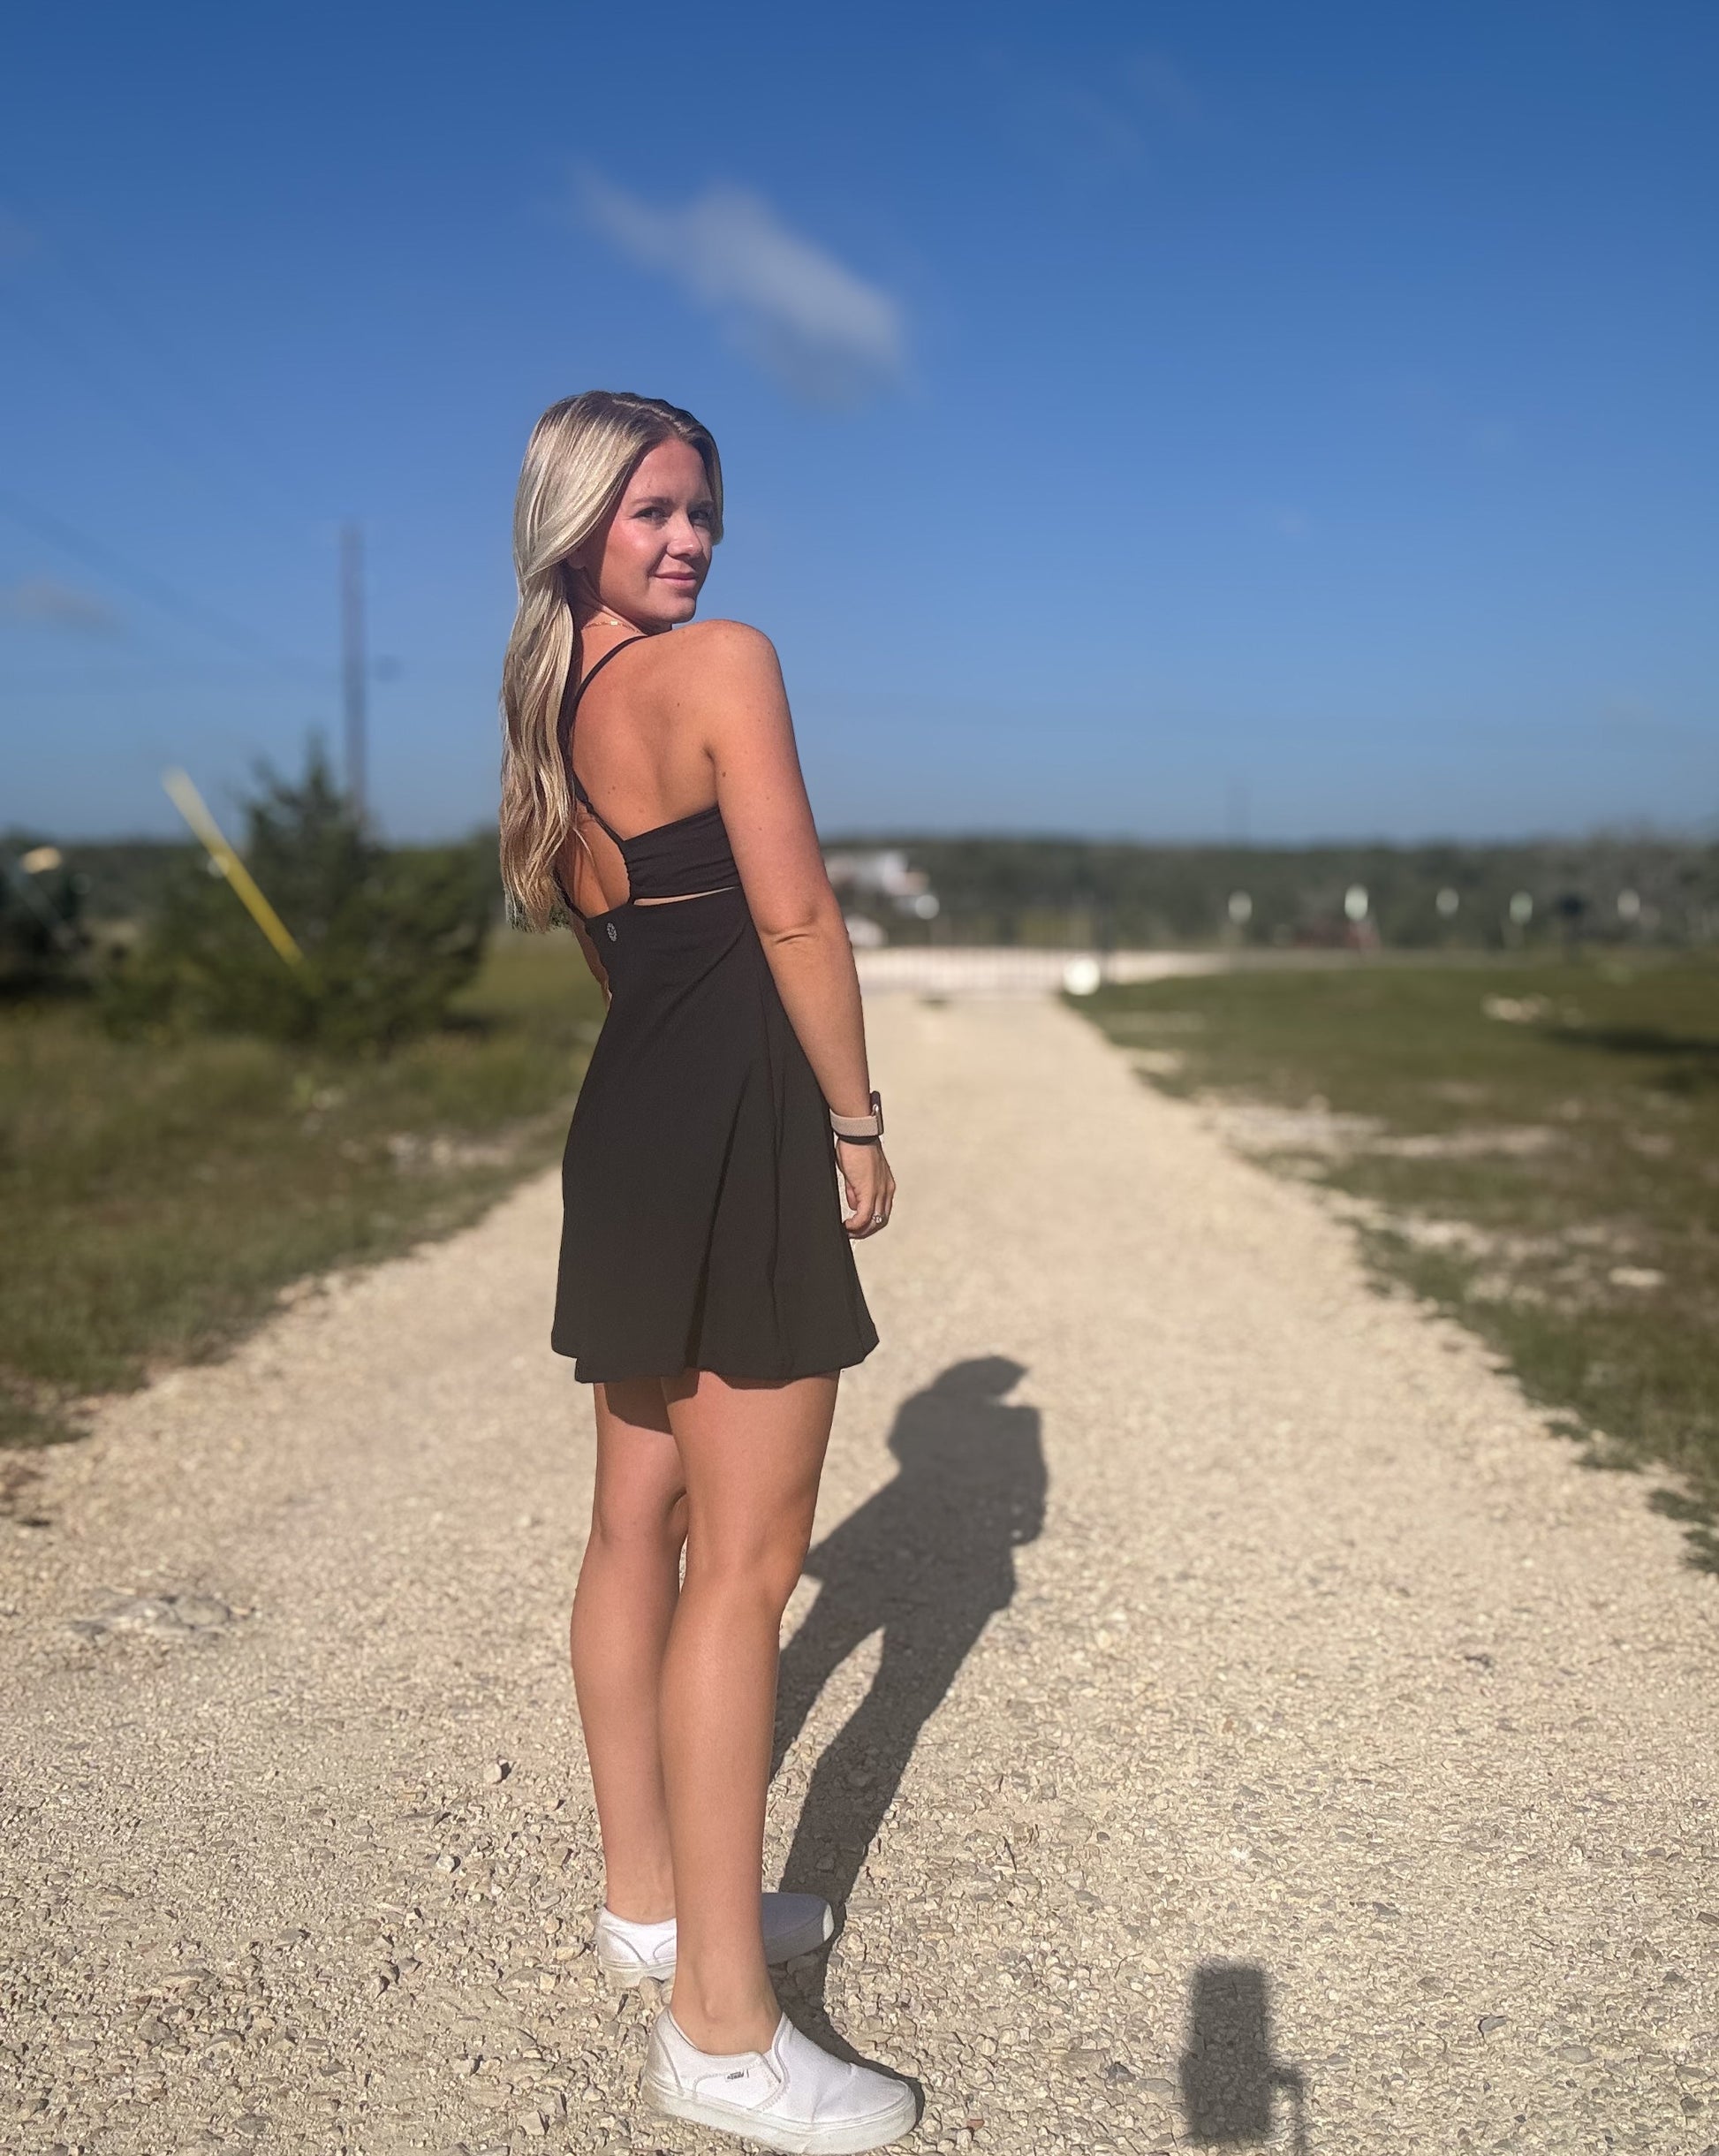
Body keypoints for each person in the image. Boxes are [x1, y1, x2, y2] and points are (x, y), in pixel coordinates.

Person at [498, 390, 913, 2152]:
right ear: (579, 515)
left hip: (633, 1130)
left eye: (702, 516)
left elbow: (628, 957)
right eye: (656, 510)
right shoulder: (720, 664)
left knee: (632, 1527)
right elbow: (800, 916)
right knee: (742, 1568)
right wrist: (855, 1118)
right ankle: (721, 2029)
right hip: (743, 1131)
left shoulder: (550, 714)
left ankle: (655, 1906)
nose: (690, 542)